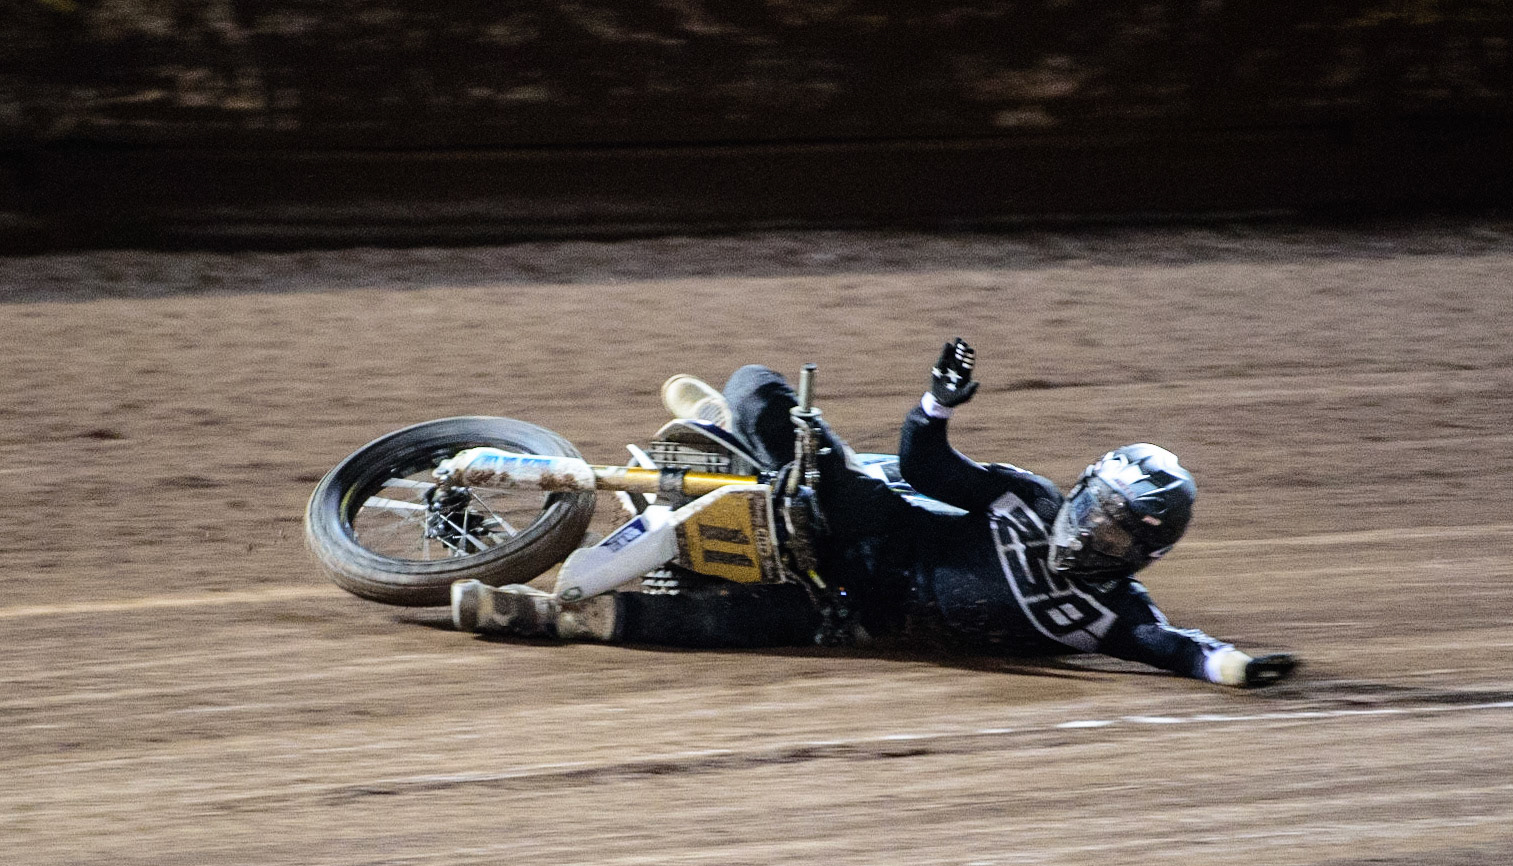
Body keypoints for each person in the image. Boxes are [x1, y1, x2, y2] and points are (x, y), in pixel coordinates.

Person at [451, 340, 1297, 688]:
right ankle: (728, 421)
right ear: (1080, 489)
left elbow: (1178, 647)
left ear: (1140, 553)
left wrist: (1236, 668)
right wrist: (936, 402)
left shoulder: (1109, 613)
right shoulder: (1027, 499)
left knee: (721, 626)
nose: (1093, 531)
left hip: (849, 614)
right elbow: (932, 467)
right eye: (1095, 509)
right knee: (759, 385)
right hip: (863, 518)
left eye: (1115, 531)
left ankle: (546, 615)